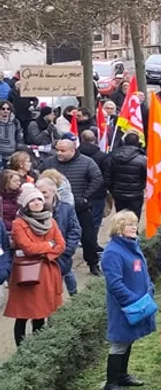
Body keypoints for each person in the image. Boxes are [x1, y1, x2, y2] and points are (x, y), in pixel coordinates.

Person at [99, 210, 155, 390]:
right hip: (124, 307)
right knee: (119, 343)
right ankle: (111, 385)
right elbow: (114, 283)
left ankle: (122, 375)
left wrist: (149, 288)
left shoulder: (132, 246)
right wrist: (133, 301)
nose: (134, 227)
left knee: (128, 339)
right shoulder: (112, 252)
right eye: (129, 224)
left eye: (135, 223)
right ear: (119, 228)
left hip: (137, 303)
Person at [5, 184, 65, 346]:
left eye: (39, 199)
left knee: (42, 312)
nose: (37, 202)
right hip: (27, 273)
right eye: (32, 200)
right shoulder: (19, 223)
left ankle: (39, 347)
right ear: (26, 204)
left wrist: (46, 249)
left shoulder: (50, 220)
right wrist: (49, 246)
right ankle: (22, 350)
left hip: (47, 272)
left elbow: (61, 245)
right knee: (23, 314)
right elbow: (28, 248)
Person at [39, 137, 103, 275]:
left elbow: (97, 178)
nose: (59, 153)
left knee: (88, 238)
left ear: (73, 150)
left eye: (63, 151)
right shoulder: (49, 162)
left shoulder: (87, 162)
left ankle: (93, 264)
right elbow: (39, 177)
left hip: (80, 207)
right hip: (55, 210)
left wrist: (85, 197)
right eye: (57, 150)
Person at [104, 132, 148, 217]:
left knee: (120, 219)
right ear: (138, 143)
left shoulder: (113, 156)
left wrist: (113, 191)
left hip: (118, 195)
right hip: (136, 195)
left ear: (124, 142)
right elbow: (146, 177)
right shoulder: (142, 159)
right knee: (134, 219)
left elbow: (108, 177)